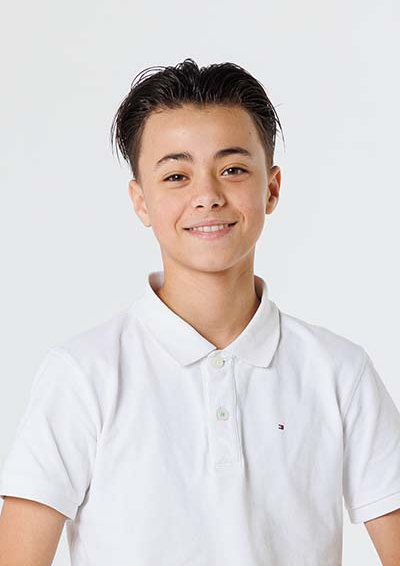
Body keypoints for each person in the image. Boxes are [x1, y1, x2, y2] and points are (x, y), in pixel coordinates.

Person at [0, 58, 399, 565]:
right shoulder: (83, 374)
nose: (207, 196)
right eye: (176, 176)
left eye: (232, 170)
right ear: (140, 201)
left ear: (271, 187)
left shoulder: (340, 372)